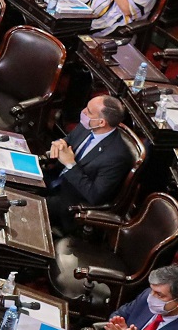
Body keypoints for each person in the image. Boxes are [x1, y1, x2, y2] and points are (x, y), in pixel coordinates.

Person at [42, 95, 132, 231]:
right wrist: (60, 144)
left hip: (69, 202)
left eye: (89, 111)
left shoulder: (117, 157)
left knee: (26, 203)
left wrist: (70, 165)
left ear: (101, 122)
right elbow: (69, 140)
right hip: (54, 177)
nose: (83, 112)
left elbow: (95, 195)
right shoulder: (88, 126)